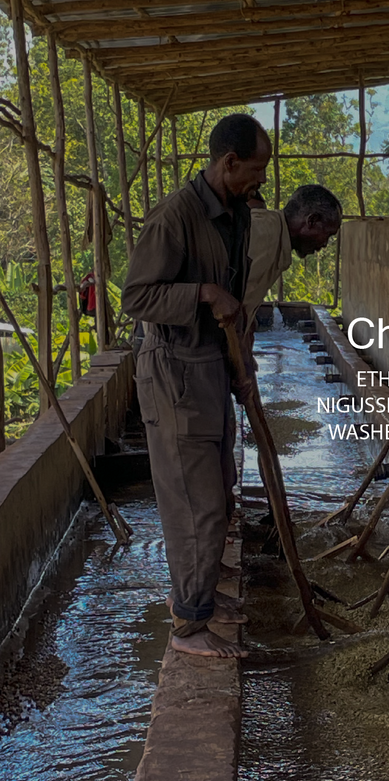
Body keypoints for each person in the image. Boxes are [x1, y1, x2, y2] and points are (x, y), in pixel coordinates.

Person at [122, 113, 272, 659]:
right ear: (228, 163)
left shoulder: (237, 215)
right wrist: (203, 293)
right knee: (195, 504)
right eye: (255, 170)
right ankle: (189, 625)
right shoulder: (174, 216)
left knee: (222, 483)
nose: (261, 181)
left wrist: (241, 366)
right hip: (174, 372)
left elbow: (236, 299)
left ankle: (204, 596)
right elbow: (136, 297)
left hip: (211, 364)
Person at [242, 185, 342, 332]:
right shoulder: (264, 235)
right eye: (327, 234)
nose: (325, 244)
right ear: (312, 221)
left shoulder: (276, 237)